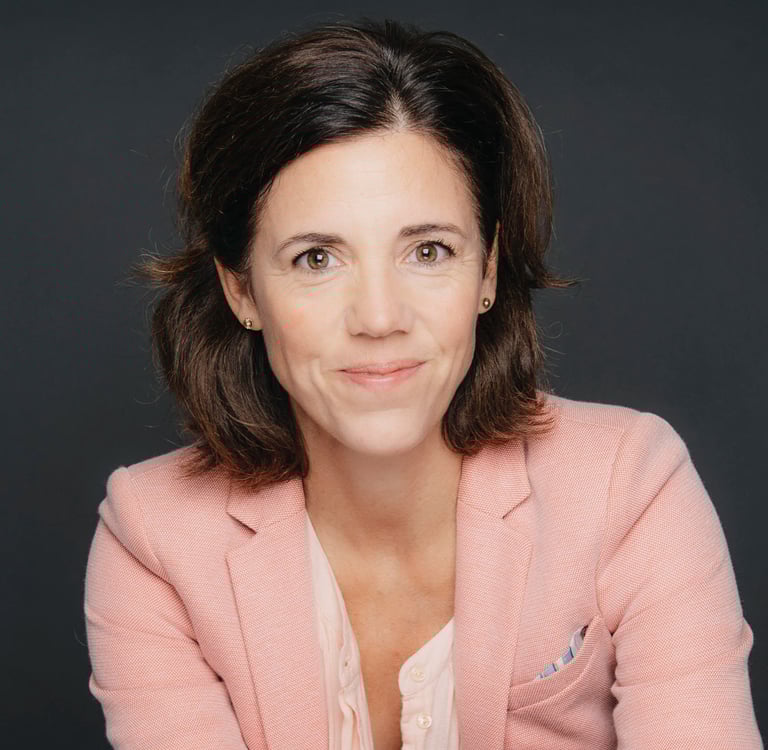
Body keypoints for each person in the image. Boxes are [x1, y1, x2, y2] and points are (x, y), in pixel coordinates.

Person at [83, 16, 763, 750]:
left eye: (429, 250)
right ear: (242, 290)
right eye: (317, 258)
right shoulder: (152, 537)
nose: (379, 318)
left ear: (488, 269)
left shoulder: (630, 486)